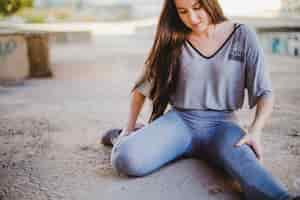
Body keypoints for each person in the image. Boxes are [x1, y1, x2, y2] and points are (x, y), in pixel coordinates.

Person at [101, 0, 299, 199]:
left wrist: (255, 131)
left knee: (249, 166)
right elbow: (142, 87)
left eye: (197, 8)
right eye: (183, 12)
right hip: (180, 122)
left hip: (223, 127)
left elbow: (265, 91)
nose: (192, 18)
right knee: (126, 159)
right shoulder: (173, 38)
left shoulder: (243, 35)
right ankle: (120, 136)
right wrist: (128, 128)